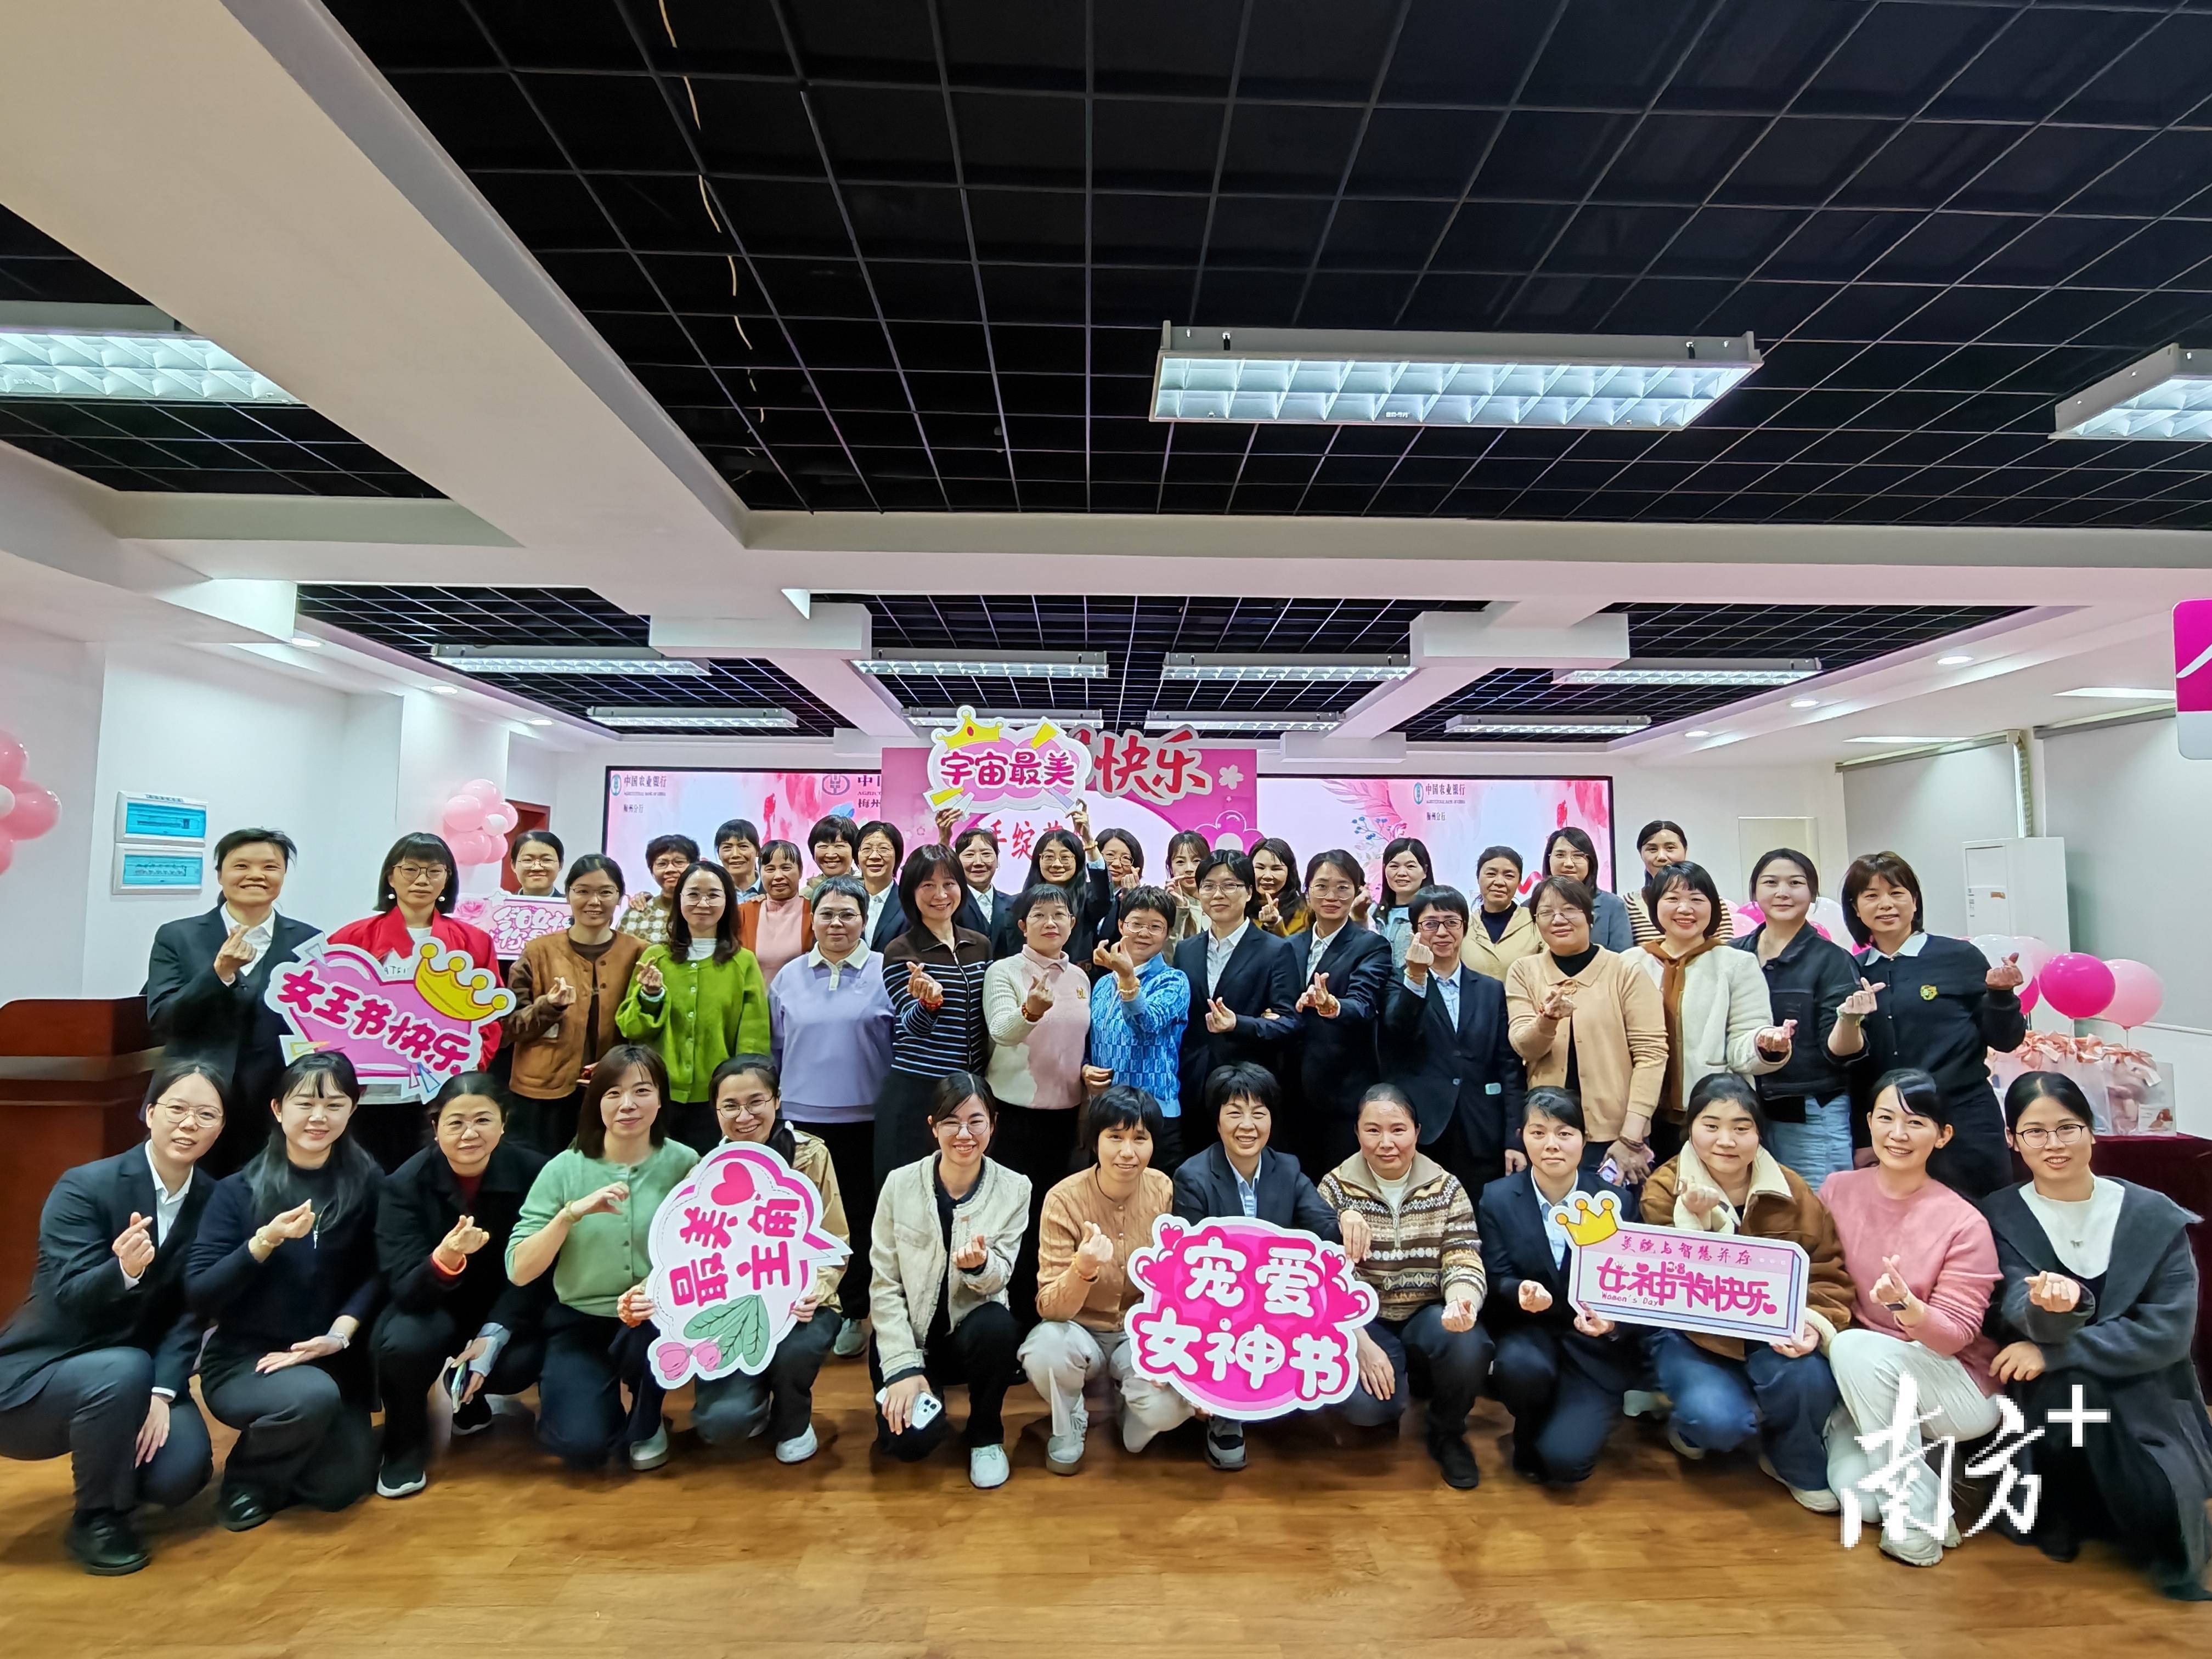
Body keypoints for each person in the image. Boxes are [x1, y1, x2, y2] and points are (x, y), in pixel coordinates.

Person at [1983, 1071, 2212, 1600]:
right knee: (2072, 1394)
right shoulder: (1999, 1216)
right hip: (2051, 1403)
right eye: (2035, 1132)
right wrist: (2048, 1315)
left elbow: (2169, 1333)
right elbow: (2011, 1307)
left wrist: (2056, 1352)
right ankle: (2066, 1508)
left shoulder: (2151, 1215)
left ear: (2092, 1131)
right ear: (2013, 1140)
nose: (2054, 1144)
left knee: (2161, 1509)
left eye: (2068, 1128)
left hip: (2147, 1388)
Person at [0, 1061, 223, 1574]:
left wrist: (163, 1391)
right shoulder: (85, 1186)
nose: (189, 1124)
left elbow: (193, 1312)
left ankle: (112, 1460)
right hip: (41, 1373)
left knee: (179, 1476)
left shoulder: (216, 1201)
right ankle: (97, 1518)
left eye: (207, 1114)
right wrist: (122, 1271)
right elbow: (70, 1295)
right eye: (177, 1109)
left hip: (139, 1375)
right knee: (121, 1367)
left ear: (221, 1127)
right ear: (149, 1113)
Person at [186, 1053, 384, 1529]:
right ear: (278, 1109)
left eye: (334, 1104)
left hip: (331, 1356)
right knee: (309, 1398)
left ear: (353, 1109)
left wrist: (339, 1334)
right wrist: (262, 1242)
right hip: (248, 1359)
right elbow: (201, 1291)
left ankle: (295, 1449)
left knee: (337, 1490)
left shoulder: (369, 1181)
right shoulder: (237, 1190)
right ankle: (247, 1480)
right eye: (305, 1104)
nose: (319, 1117)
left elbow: (378, 1272)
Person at [1641, 1073, 1854, 1514]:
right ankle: (1693, 1422)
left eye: (1742, 1128)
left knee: (1811, 1378)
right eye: (1711, 1125)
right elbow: (1667, 1280)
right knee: (1717, 1420)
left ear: (1760, 1133)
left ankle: (1790, 1458)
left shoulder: (1794, 1190)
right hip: (1693, 1337)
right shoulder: (1664, 1187)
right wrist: (1696, 1221)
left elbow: (1827, 1272)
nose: (1727, 1140)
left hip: (1771, 1331)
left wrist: (1812, 1324)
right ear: (1690, 1128)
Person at [1819, 1068, 2002, 1567]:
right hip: (1865, 1380)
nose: (1898, 1134)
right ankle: (1922, 1484)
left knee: (1853, 1345)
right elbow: (1815, 1272)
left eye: (1916, 1122)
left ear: (1942, 1135)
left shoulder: (1964, 1221)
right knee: (1859, 1499)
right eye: (1886, 1119)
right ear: (1869, 1123)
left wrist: (1909, 1308)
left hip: (1952, 1383)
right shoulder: (1837, 1189)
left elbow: (1955, 1336)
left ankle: (1915, 1523)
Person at [506, 1045, 699, 1473]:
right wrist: (568, 1215)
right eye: (613, 1093)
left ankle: (648, 1416)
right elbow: (519, 1270)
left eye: (642, 1091)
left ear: (661, 1099)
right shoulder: (563, 1169)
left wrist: (657, 1290)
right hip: (581, 1319)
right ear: (596, 1102)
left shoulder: (687, 1163)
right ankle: (596, 1406)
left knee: (650, 1339)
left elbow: (706, 1250)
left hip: (657, 1316)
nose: (627, 1104)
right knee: (582, 1445)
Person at [369, 1073, 550, 1499]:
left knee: (519, 1362)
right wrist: (445, 1258)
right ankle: (403, 1444)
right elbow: (404, 1287)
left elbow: (542, 1269)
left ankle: (471, 1399)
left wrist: (495, 1332)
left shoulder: (537, 1172)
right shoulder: (402, 1185)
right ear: (435, 1127)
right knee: (404, 1344)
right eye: (456, 1123)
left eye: (483, 1120)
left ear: (504, 1123)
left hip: (503, 1304)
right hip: (432, 1304)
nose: (470, 1134)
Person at [1170, 1063, 1348, 1473]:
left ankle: (1276, 1392)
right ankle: (1224, 1412)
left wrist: (1348, 1220)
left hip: (1277, 1296)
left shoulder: (1288, 1168)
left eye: (1259, 1113)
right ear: (1217, 1121)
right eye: (1235, 1113)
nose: (1247, 1126)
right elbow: (1190, 1264)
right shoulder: (1192, 1177)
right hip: (1221, 1301)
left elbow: (1323, 1227)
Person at [1319, 1085, 1492, 1489]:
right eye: (1373, 1130)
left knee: (1469, 1346)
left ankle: (1448, 1432)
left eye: (1398, 1130)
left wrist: (1461, 1302)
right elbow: (1324, 1278)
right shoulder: (1334, 1189)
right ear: (1357, 1133)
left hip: (1427, 1313)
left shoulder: (1447, 1187)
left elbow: (1463, 1255)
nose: (1386, 1143)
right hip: (1366, 1320)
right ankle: (1390, 1403)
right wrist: (1358, 1340)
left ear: (1417, 1131)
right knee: (1369, 1409)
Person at [868, 1074, 1029, 1489]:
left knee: (998, 1325)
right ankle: (921, 1390)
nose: (964, 1134)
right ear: (933, 1126)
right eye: (951, 1122)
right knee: (908, 1446)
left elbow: (1001, 1278)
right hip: (910, 1338)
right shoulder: (899, 1184)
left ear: (993, 1124)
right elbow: (884, 1285)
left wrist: (979, 1267)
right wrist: (903, 1367)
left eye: (976, 1122)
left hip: (968, 1338)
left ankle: (986, 1434)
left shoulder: (1015, 1189)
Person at [1019, 1087, 1192, 1474]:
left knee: (1169, 1409)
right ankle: (1069, 1419)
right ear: (1095, 1141)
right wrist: (1082, 1270)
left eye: (1140, 1138)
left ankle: (1135, 1409)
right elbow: (1050, 1307)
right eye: (1115, 1137)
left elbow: (1177, 1283)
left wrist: (1171, 1352)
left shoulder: (1164, 1190)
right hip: (1079, 1330)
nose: (1127, 1152)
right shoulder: (1063, 1199)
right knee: (1044, 1350)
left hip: (1140, 1331)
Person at [1838, 851, 2027, 1198]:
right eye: (1871, 896)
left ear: (1915, 901)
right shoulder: (1851, 971)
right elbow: (1856, 1069)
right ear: (1856, 908)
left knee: (1986, 1214)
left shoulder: (1958, 957)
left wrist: (2001, 996)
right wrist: (1864, 1138)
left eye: (1896, 893)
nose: (1886, 904)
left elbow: (2006, 1040)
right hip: (1895, 1129)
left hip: (1966, 1117)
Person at [689, 1058, 849, 1464]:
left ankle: (794, 1420)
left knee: (794, 1350)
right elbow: (689, 1252)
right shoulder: (703, 1170)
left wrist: (815, 1290)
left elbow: (835, 1238)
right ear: (716, 1111)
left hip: (802, 1303)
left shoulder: (810, 1155)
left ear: (777, 1100)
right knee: (721, 1425)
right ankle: (750, 1399)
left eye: (756, 1102)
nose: (744, 1116)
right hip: (731, 1308)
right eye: (730, 1106)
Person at [1477, 1089, 1637, 1486]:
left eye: (1565, 1134)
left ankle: (1576, 1417)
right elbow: (1496, 1276)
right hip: (1529, 1335)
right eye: (1539, 1133)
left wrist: (1612, 1323)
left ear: (1584, 1139)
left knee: (1566, 1465)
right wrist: (1520, 1291)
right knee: (1520, 1370)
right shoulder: (1498, 1198)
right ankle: (1529, 1421)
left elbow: (1634, 1287)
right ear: (1522, 1137)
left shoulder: (1615, 1202)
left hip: (1592, 1347)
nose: (1552, 1145)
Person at [144, 826, 318, 1176]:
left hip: (275, 1104)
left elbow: (314, 1026)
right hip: (193, 1102)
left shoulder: (309, 941)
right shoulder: (177, 936)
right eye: (241, 866)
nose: (256, 875)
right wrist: (219, 974)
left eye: (270, 867)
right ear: (220, 875)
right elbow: (163, 1019)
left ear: (283, 875)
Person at [769, 874, 893, 1353]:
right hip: (801, 1121)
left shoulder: (886, 970)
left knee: (860, 1218)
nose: (837, 923)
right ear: (813, 919)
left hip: (867, 1121)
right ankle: (799, 1305)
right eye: (827, 914)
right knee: (801, 1218)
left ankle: (855, 1312)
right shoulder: (789, 976)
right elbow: (776, 1049)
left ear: (864, 919)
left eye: (848, 914)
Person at [328, 832, 501, 1170]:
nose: (422, 880)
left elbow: (489, 1019)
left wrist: (467, 1068)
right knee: (363, 1178)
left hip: (439, 1092)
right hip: (367, 1093)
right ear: (391, 877)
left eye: (434, 871)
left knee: (429, 1178)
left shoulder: (474, 942)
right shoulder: (350, 938)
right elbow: (327, 1013)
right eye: (410, 870)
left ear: (447, 879)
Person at [1626, 860, 1792, 1167]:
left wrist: (1764, 1044)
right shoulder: (1630, 963)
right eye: (1673, 899)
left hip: (1713, 1116)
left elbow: (1744, 1041)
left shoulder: (1736, 964)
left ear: (1713, 907)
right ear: (1655, 905)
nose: (1685, 909)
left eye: (1697, 899)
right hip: (1639, 1118)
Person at [1503, 876, 1668, 1182]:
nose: (1558, 920)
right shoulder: (1524, 971)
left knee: (1614, 1211)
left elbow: (1651, 1056)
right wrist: (1547, 1020)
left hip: (1617, 1136)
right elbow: (1524, 1047)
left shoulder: (1625, 971)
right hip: (1548, 1135)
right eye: (1546, 912)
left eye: (1570, 910)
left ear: (1589, 916)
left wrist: (1631, 1137)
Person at [984, 883, 1093, 1317]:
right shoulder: (1005, 971)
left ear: (1072, 923)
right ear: (1022, 925)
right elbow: (1001, 1031)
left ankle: (1044, 1309)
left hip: (1065, 1117)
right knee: (1012, 1221)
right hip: (1013, 1116)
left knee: (1053, 1219)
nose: (1051, 922)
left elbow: (1080, 1043)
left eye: (1059, 914)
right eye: (1040, 915)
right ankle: (1006, 1313)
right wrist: (1030, 1010)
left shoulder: (1081, 978)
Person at [1379, 884, 1528, 1195]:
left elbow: (1509, 1068)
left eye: (1451, 922)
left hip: (1482, 1128)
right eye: (1430, 924)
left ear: (1465, 927)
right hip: (1423, 1130)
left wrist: (1514, 1139)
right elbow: (1397, 1035)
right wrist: (1416, 977)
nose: (1442, 932)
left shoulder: (1490, 990)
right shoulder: (1397, 982)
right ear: (1415, 931)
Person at [616, 860, 771, 1154]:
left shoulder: (743, 962)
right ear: (679, 900)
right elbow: (630, 1027)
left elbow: (753, 1041)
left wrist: (743, 1097)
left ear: (727, 902)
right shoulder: (655, 957)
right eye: (693, 894)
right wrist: (650, 996)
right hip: (657, 1097)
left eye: (713, 895)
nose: (703, 903)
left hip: (719, 1101)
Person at [1734, 849, 1869, 1186]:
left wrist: (1849, 1020)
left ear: (1812, 894)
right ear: (1755, 892)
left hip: (1810, 1112)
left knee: (1815, 1208)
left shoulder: (1832, 960)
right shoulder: (1733, 954)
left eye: (1795, 883)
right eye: (1771, 883)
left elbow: (1840, 1051)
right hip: (1740, 1110)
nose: (1783, 892)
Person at [505, 854, 645, 1157]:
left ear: (620, 897)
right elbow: (509, 1026)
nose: (594, 901)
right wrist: (549, 1007)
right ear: (567, 894)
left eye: (606, 892)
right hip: (542, 1090)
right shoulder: (538, 951)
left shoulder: (639, 952)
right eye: (583, 891)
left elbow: (644, 1026)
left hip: (614, 1088)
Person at [876, 845, 994, 1175]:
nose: (940, 895)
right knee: (910, 1187)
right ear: (911, 893)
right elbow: (911, 1026)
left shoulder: (980, 945)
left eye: (949, 884)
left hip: (969, 1091)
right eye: (928, 885)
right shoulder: (901, 950)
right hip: (918, 1090)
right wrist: (928, 1005)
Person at [1172, 849, 1304, 1136]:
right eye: (1208, 886)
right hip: (1191, 1085)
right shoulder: (1186, 950)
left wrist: (1238, 1024)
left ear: (1249, 892)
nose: (1218, 894)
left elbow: (1291, 1022)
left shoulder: (1276, 950)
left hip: (1248, 1089)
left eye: (1229, 885)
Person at [1286, 850, 1391, 1173]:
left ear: (1358, 891)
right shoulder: (1290, 946)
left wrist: (1333, 1006)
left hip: (1342, 1090)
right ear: (1307, 892)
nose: (1331, 896)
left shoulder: (1371, 946)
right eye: (1321, 887)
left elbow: (1363, 1004)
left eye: (1343, 887)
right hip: (1288, 1088)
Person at [1087, 885, 1193, 1164]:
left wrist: (1127, 979)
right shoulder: (1103, 984)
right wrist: (1085, 1067)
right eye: (1136, 924)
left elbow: (1146, 1023)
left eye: (1155, 927)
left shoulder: (1173, 981)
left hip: (1155, 1115)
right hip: (1108, 1116)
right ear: (1121, 925)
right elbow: (1089, 1037)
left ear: (1167, 933)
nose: (1144, 933)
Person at [1020, 809, 1115, 962]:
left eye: (1065, 857)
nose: (1057, 864)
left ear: (1078, 861)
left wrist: (1089, 842)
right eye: (1049, 857)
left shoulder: (1089, 898)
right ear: (1038, 861)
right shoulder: (1022, 901)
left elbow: (1103, 897)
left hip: (1078, 975)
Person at [1622, 820, 1733, 944]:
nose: (1662, 857)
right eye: (1652, 849)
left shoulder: (1712, 902)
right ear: (1641, 854)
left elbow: (1726, 950)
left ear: (1685, 850)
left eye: (1670, 848)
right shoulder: (1627, 905)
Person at [933, 807, 1019, 952]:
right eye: (969, 855)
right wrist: (943, 840)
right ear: (957, 862)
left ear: (997, 860)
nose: (978, 862)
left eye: (986, 854)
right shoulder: (949, 902)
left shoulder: (1015, 904)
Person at [1541, 826, 1632, 953]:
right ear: (1548, 860)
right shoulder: (1530, 908)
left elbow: (1623, 958)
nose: (1569, 863)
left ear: (1590, 862)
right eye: (1560, 855)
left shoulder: (1612, 905)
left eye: (1578, 856)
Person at [736, 839, 814, 984]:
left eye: (786, 868)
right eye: (770, 869)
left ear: (800, 871)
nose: (778, 876)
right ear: (760, 873)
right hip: (755, 998)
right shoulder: (743, 913)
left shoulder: (814, 913)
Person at [1463, 845, 1541, 982]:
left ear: (1519, 882)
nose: (1499, 882)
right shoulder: (1463, 927)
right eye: (1491, 874)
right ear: (1478, 878)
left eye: (1509, 876)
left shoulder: (1537, 923)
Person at [619, 833, 699, 947]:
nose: (670, 869)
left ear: (695, 866)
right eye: (662, 864)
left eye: (679, 862)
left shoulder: (708, 909)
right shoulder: (636, 914)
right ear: (652, 870)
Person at [1374, 837, 1434, 973]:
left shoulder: (1435, 918)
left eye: (1410, 866)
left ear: (1425, 871)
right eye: (1394, 866)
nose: (1401, 873)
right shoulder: (1371, 915)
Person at [856, 820, 907, 949]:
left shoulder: (910, 903)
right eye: (867, 849)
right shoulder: (846, 900)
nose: (874, 856)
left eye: (884, 849)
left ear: (897, 856)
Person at [1251, 837, 1311, 938]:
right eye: (1260, 868)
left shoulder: (1305, 910)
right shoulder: (1239, 908)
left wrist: (1276, 925)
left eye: (1276, 869)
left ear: (1290, 873)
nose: (1267, 876)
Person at [1163, 829, 1211, 943]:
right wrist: (1179, 907)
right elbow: (1169, 952)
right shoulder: (1162, 906)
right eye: (1180, 862)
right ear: (1171, 868)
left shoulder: (1220, 901)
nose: (1189, 869)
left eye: (1196, 861)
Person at [807, 814, 862, 892]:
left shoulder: (869, 890)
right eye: (823, 846)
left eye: (839, 846)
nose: (831, 854)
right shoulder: (805, 895)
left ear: (854, 850)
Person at [714, 818, 763, 902]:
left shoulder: (774, 891)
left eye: (743, 846)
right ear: (718, 854)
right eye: (727, 848)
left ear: (758, 851)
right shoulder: (713, 895)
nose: (735, 854)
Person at [509, 829, 564, 899]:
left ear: (560, 864)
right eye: (528, 860)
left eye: (547, 860)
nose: (537, 868)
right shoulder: (501, 905)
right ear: (513, 865)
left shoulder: (571, 905)